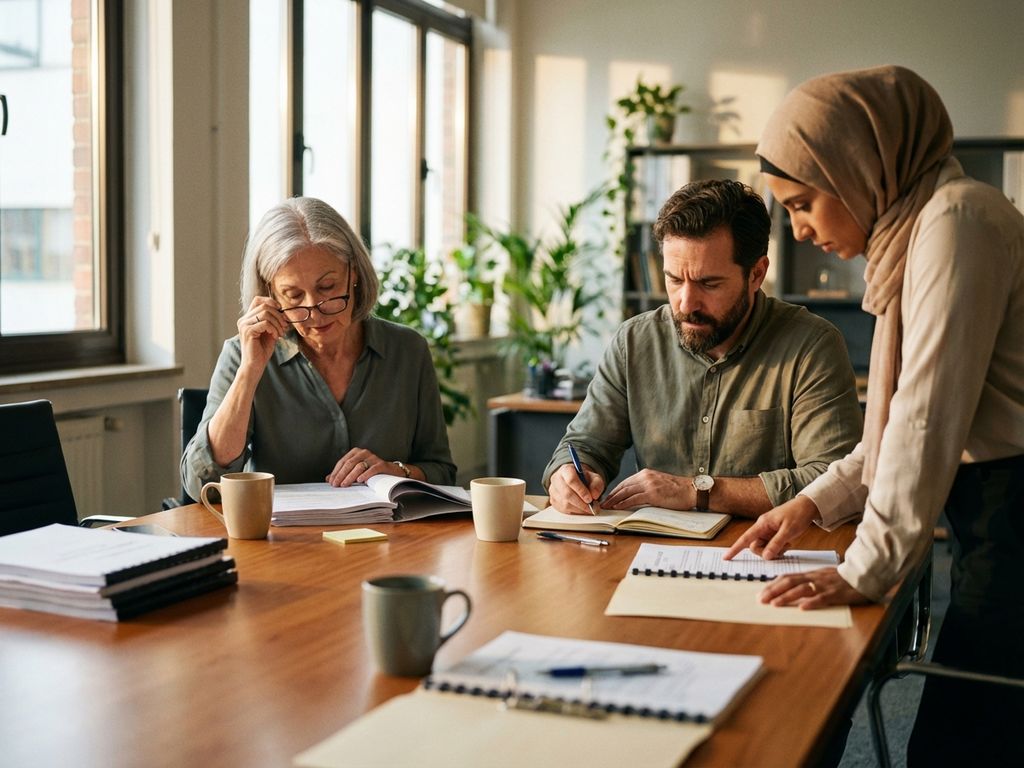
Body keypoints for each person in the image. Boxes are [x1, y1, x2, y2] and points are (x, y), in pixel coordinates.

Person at [724, 65, 1024, 764]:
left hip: (1012, 513)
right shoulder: (921, 230)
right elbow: (890, 435)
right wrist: (809, 503)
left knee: (964, 745)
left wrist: (864, 570)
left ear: (859, 168)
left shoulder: (956, 222)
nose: (797, 232)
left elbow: (924, 423)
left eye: (802, 204)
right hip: (992, 509)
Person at [543, 179, 863, 517]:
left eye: (708, 283)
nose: (686, 303)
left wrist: (697, 490)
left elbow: (834, 482)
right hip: (651, 553)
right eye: (674, 280)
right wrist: (568, 475)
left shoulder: (811, 346)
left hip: (762, 555)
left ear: (756, 274)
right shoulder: (634, 342)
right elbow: (585, 445)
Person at [182, 197, 456, 500]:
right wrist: (250, 371)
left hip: (387, 540)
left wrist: (396, 471)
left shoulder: (407, 350)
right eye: (294, 295)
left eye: (327, 288)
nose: (314, 311)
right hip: (282, 543)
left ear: (353, 274)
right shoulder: (243, 354)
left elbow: (442, 471)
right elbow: (200, 485)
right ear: (270, 293)